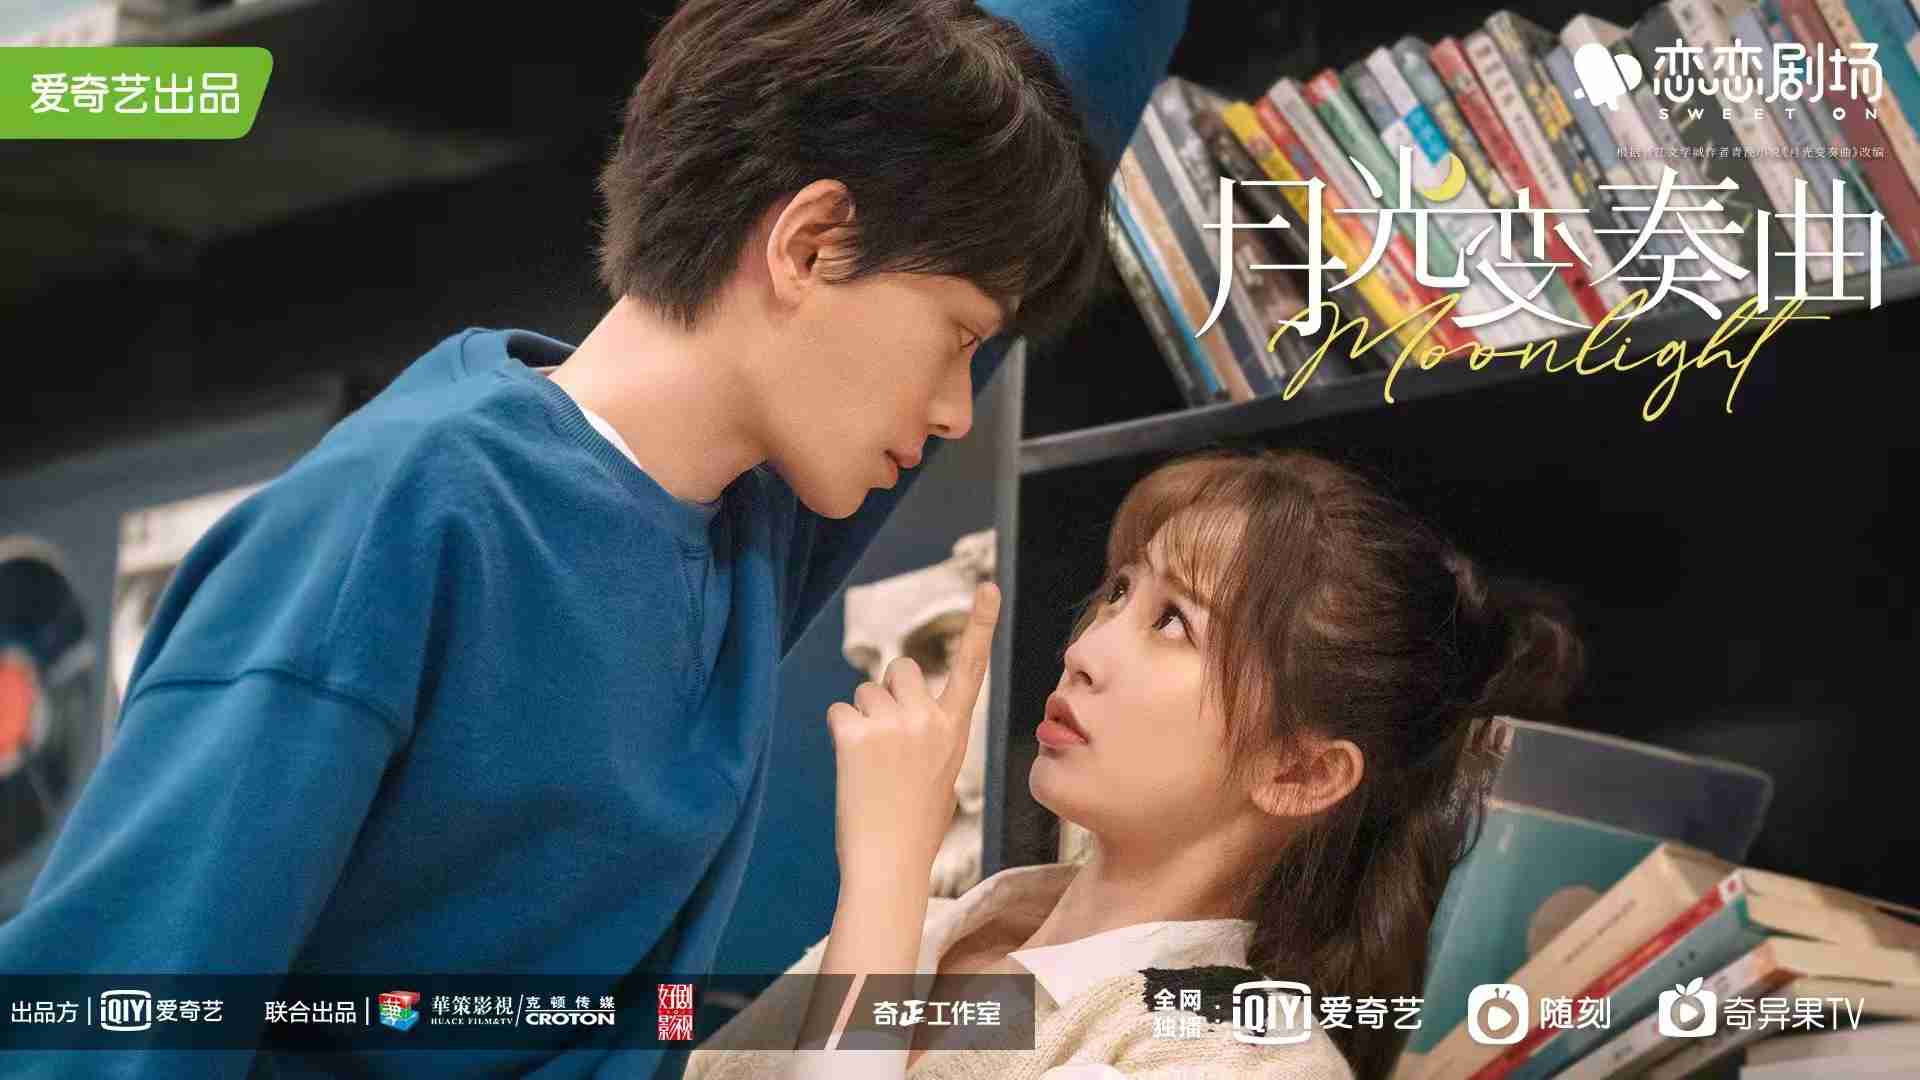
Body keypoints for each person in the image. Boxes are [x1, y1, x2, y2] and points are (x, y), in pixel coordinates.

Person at [0, 0, 1189, 1077]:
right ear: (811, 244)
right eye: (957, 338)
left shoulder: (750, 519)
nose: (956, 409)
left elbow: (1082, 55)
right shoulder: (396, 528)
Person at [683, 449, 1586, 1080]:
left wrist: (884, 876)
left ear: (1301, 774)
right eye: (1119, 591)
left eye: (1174, 623)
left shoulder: (1241, 1059)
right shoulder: (943, 930)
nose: (1085, 649)